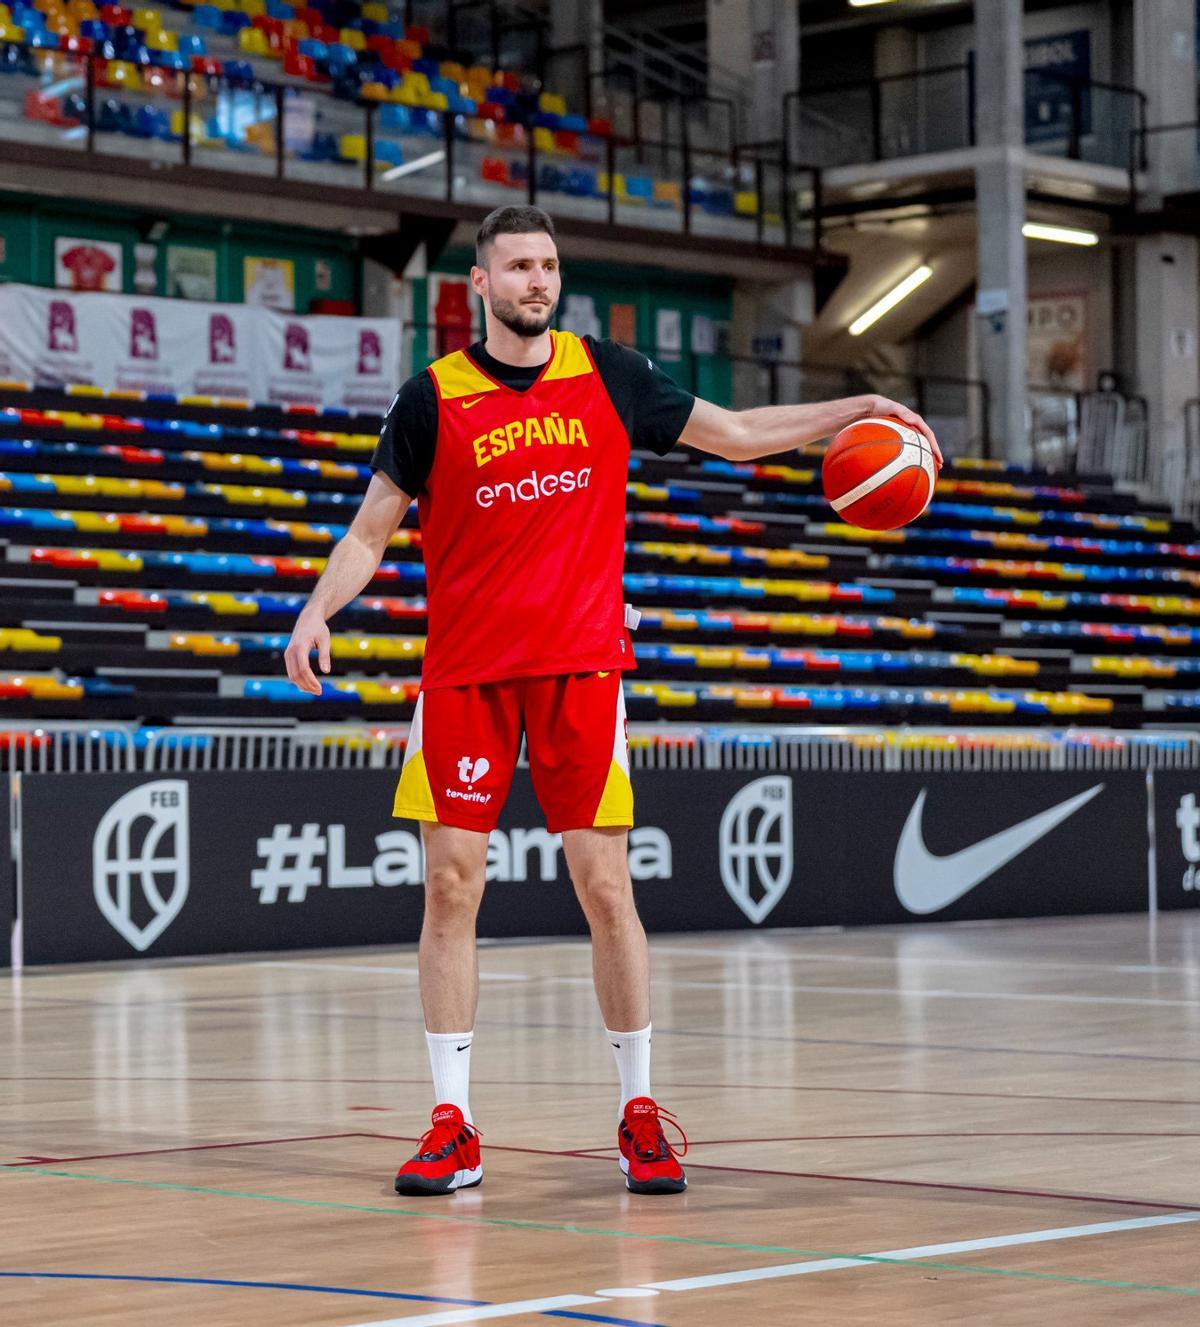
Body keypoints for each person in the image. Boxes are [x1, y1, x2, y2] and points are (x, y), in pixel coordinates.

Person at [284, 204, 942, 1199]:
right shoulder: (432, 399)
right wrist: (317, 608)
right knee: (451, 891)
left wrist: (847, 413)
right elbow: (371, 530)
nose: (537, 281)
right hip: (464, 673)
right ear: (479, 284)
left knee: (605, 891)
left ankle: (640, 1111)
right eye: (517, 268)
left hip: (582, 669)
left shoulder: (608, 374)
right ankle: (452, 1125)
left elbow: (735, 435)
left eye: (548, 265)